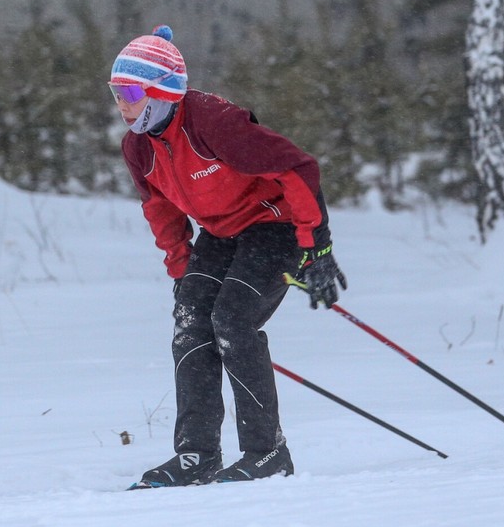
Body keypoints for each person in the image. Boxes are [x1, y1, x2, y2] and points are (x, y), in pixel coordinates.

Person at [112, 25, 347, 488]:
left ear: (160, 92)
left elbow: (297, 168)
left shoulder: (213, 122)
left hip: (274, 227)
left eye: (131, 92)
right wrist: (182, 268)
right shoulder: (138, 147)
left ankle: (267, 453)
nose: (122, 103)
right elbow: (158, 208)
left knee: (233, 320)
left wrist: (315, 247)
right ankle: (197, 456)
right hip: (221, 233)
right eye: (117, 92)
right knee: (190, 322)